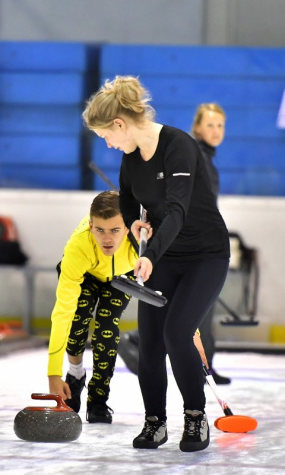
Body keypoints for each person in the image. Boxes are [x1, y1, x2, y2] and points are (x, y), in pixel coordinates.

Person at [82, 76, 230, 452]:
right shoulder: (131, 157)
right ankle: (155, 422)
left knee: (177, 333)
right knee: (150, 341)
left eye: (106, 136)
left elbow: (178, 211)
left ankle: (195, 417)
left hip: (205, 256)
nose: (108, 143)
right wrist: (134, 223)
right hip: (164, 256)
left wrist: (147, 255)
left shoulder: (179, 146)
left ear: (120, 124)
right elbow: (128, 198)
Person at [48, 190, 137, 423]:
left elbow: (169, 288)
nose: (107, 239)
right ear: (90, 226)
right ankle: (75, 374)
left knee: (107, 329)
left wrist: (193, 331)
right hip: (86, 274)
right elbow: (62, 313)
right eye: (100, 230)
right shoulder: (78, 247)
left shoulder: (142, 243)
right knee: (77, 321)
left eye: (115, 230)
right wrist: (53, 374)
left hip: (122, 277)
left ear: (128, 228)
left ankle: (98, 400)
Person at [191, 103, 231, 385]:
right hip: (198, 244)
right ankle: (136, 341)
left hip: (202, 240)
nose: (216, 131)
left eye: (220, 125)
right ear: (197, 127)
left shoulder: (204, 157)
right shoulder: (199, 158)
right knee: (199, 307)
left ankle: (204, 367)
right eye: (210, 125)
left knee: (201, 307)